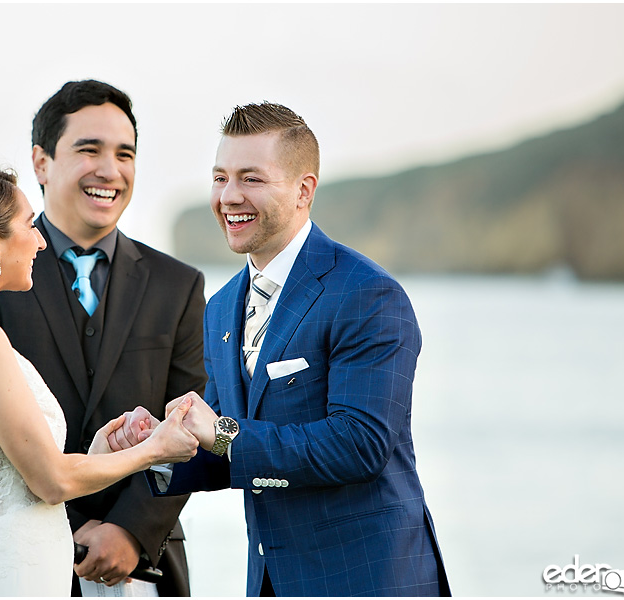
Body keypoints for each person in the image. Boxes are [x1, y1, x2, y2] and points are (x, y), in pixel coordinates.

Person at [113, 103, 451, 596]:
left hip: (371, 580)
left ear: (303, 190)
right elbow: (232, 444)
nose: (229, 196)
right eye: (220, 177)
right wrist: (155, 449)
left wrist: (221, 431)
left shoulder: (367, 294)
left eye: (251, 178)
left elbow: (360, 445)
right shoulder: (222, 306)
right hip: (271, 582)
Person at [0, 167, 200, 595]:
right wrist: (155, 450)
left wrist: (97, 454)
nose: (40, 240)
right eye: (27, 225)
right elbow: (51, 481)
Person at [0, 80, 206, 596]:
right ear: (41, 163)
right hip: (15, 558)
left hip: (144, 568)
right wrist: (63, 530)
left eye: (124, 154)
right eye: (89, 149)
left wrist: (131, 529)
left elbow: (194, 418)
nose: (110, 170)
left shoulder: (179, 285)